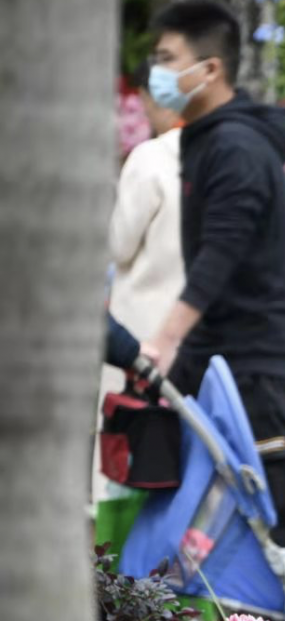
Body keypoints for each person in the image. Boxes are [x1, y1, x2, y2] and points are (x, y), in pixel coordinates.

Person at [138, 0, 285, 548]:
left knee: (279, 514)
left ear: (210, 68)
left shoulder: (234, 146)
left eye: (167, 59)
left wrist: (165, 340)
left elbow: (222, 251)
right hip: (214, 351)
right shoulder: (207, 138)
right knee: (181, 503)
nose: (156, 73)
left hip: (251, 359)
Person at [101, 63, 186, 500]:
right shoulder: (222, 157)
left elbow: (118, 245)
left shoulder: (150, 157)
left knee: (125, 453)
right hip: (191, 325)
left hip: (140, 326)